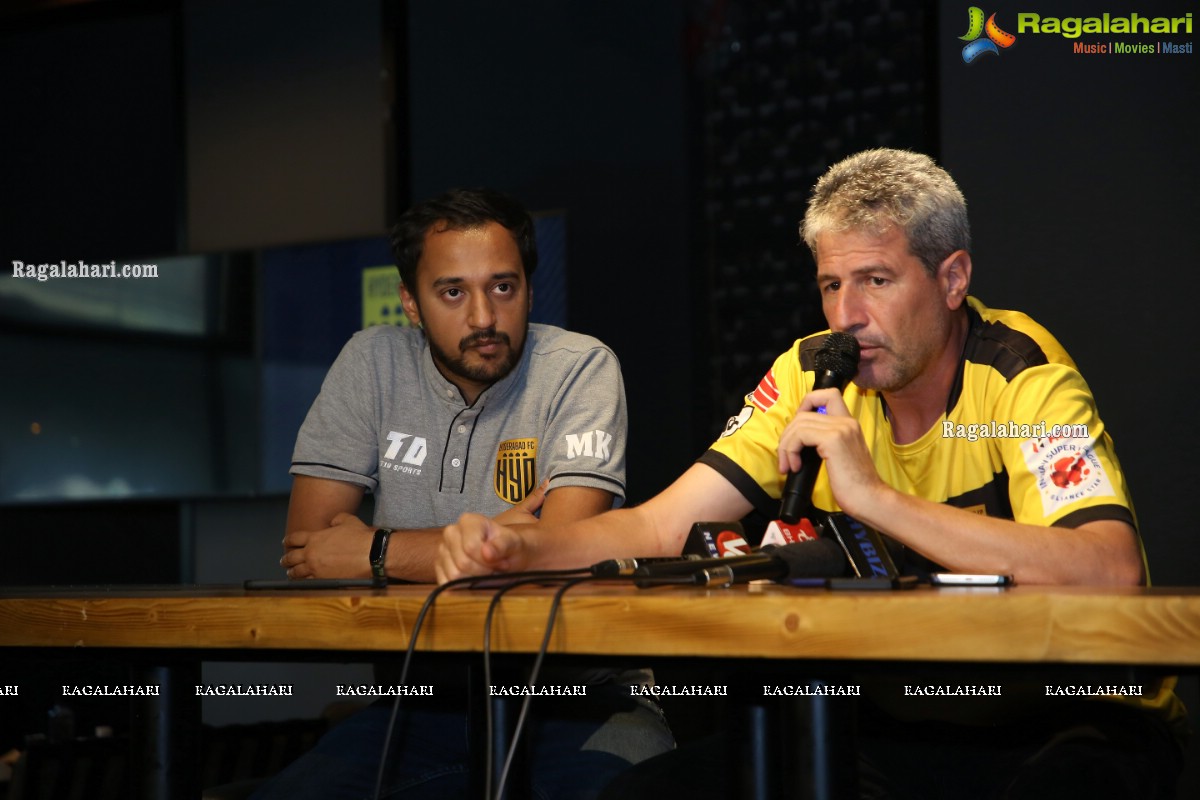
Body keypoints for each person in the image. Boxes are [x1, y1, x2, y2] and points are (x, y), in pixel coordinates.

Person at [438, 151, 1187, 798]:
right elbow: (662, 525)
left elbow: (1110, 572)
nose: (849, 315)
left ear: (953, 277)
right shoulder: (811, 368)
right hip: (905, 716)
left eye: (877, 281)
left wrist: (875, 498)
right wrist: (522, 551)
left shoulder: (1023, 376)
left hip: (1075, 716)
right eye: (832, 285)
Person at [254, 188, 673, 800]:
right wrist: (493, 544)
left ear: (530, 286)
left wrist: (373, 551)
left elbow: (559, 559)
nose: (483, 317)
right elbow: (310, 556)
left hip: (579, 697)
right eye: (453, 292)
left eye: (504, 287)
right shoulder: (371, 362)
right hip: (422, 700)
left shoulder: (579, 367)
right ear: (411, 303)